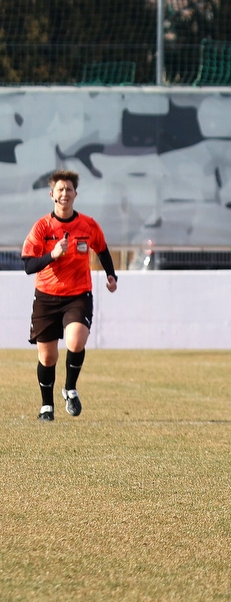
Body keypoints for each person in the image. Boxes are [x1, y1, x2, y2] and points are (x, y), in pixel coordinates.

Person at [22, 169, 118, 421]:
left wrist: (111, 275)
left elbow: (103, 249)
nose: (65, 193)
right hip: (46, 296)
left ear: (76, 193)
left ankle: (70, 388)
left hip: (78, 294)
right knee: (48, 356)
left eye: (69, 189)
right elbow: (28, 266)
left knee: (76, 342)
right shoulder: (42, 227)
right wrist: (52, 254)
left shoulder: (88, 224)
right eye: (60, 189)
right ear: (51, 194)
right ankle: (46, 406)